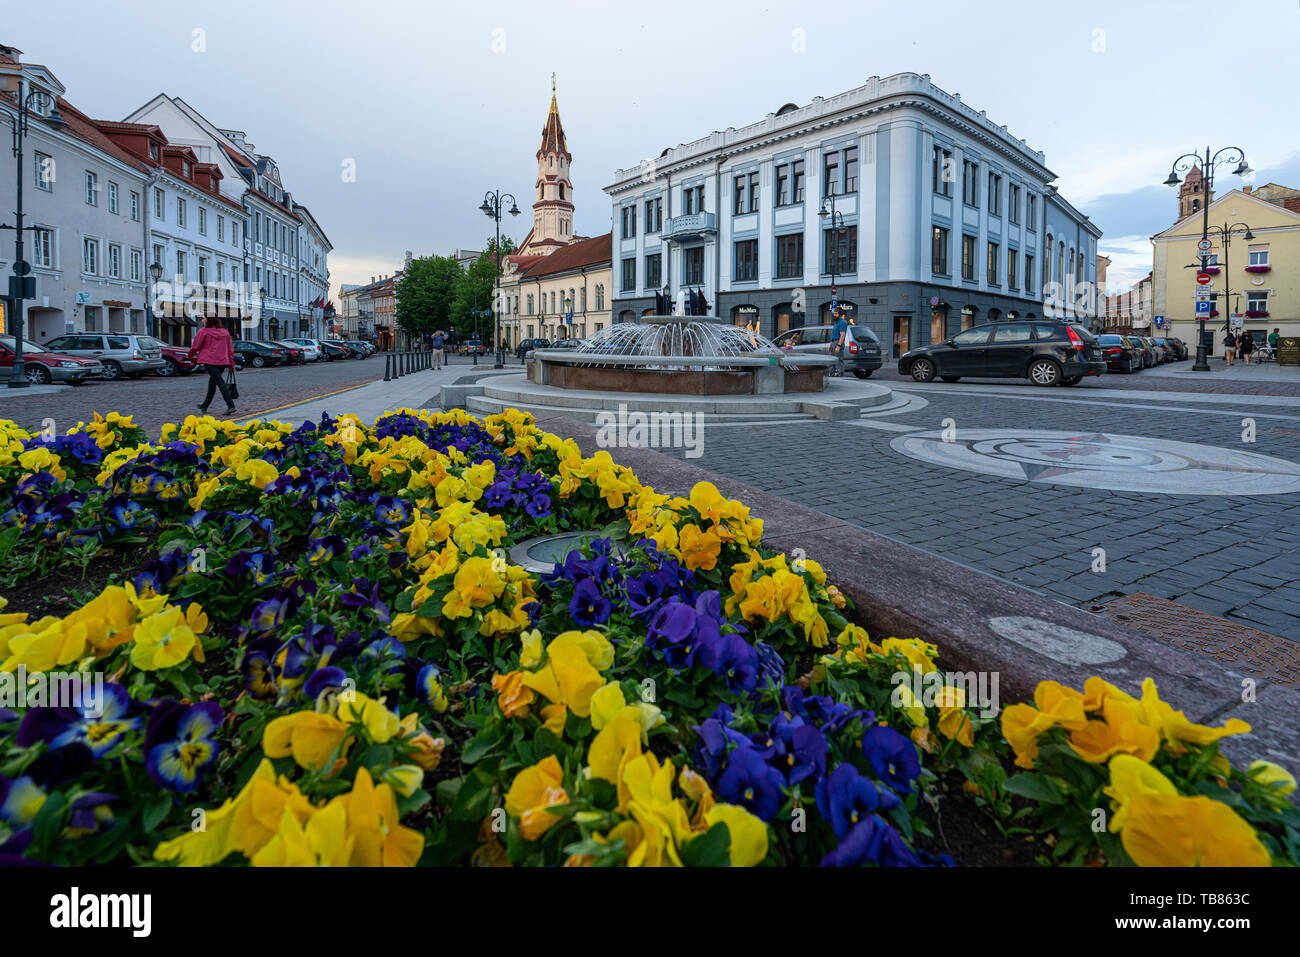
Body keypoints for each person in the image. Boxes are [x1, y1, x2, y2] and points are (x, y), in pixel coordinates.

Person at [188, 316, 237, 415]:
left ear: (208, 320)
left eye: (203, 318)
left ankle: (231, 405)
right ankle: (204, 406)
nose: (202, 320)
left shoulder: (203, 331)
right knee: (213, 383)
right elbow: (230, 349)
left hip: (209, 360)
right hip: (223, 361)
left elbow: (195, 346)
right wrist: (231, 363)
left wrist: (190, 356)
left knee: (219, 382)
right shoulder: (225, 332)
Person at [830, 310, 849, 376]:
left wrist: (838, 346)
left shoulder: (842, 322)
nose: (834, 315)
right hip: (833, 342)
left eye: (836, 313)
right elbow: (833, 334)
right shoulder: (836, 322)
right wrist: (830, 344)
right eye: (834, 313)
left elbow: (842, 335)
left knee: (838, 360)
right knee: (832, 360)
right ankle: (831, 374)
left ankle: (840, 375)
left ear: (840, 314)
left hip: (838, 342)